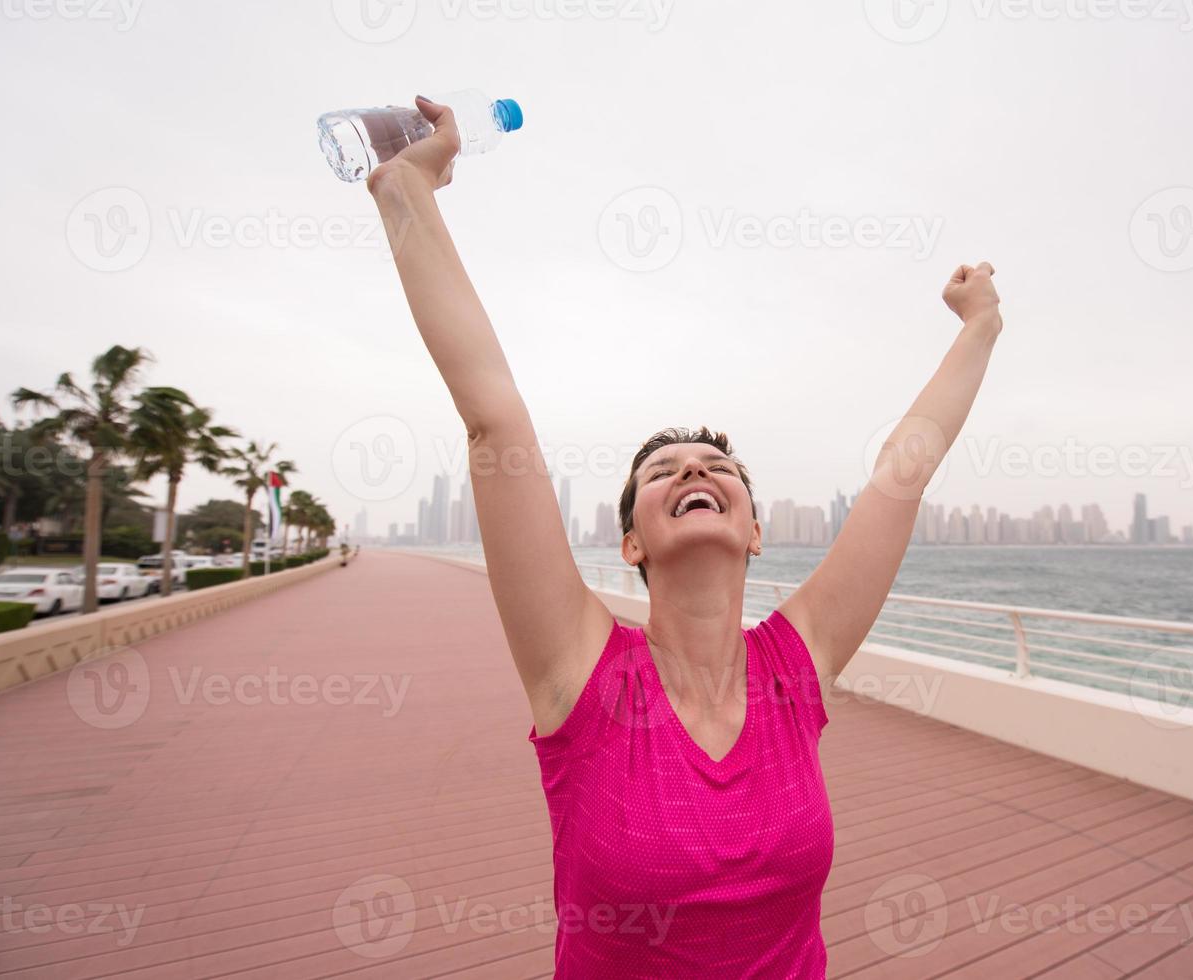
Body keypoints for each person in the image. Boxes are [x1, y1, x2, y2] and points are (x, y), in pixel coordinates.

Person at [367, 94, 1003, 978]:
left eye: (718, 467)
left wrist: (980, 328)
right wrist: (408, 189)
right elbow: (494, 423)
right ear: (631, 541)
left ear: (751, 532)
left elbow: (905, 470)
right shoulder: (581, 672)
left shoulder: (796, 665)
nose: (696, 471)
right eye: (664, 471)